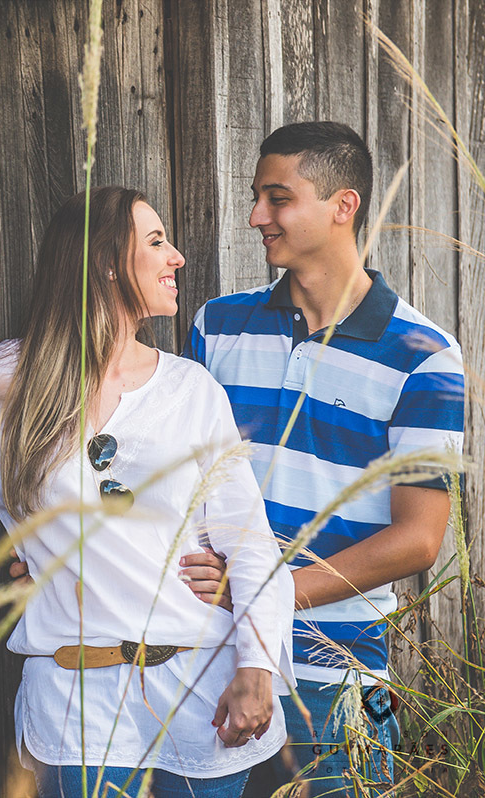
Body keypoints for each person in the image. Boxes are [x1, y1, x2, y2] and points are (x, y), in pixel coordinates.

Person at [0, 186, 295, 798]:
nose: (178, 258)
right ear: (108, 263)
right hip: (74, 707)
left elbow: (247, 543)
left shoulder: (190, 390)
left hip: (201, 700)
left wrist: (256, 666)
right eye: (157, 241)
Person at [177, 122, 466, 797]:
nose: (256, 217)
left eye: (278, 199)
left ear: (344, 206)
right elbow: (172, 473)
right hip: (205, 660)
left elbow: (418, 540)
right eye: (257, 198)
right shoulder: (218, 325)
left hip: (335, 678)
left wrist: (262, 594)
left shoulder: (424, 356)